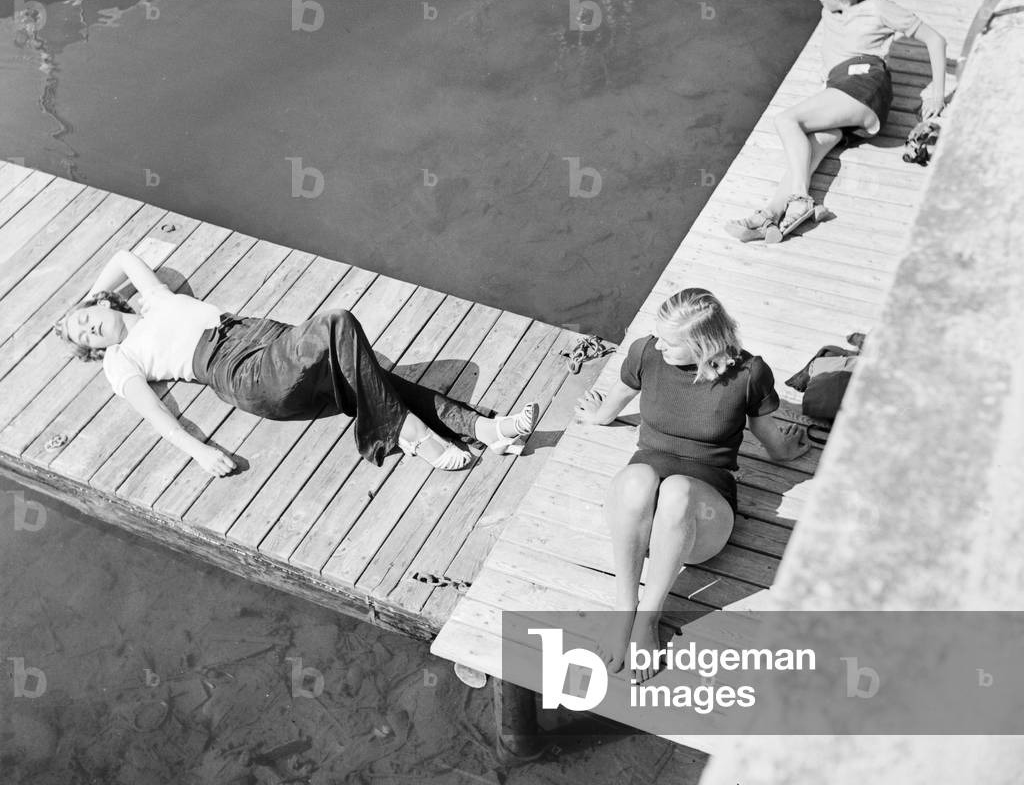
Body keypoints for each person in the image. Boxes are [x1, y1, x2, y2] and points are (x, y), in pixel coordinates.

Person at [53, 251, 537, 477]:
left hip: (267, 336)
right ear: (94, 352)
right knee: (337, 321)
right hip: (243, 370)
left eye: (83, 318)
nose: (86, 329)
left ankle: (485, 430)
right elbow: (153, 414)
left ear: (101, 301)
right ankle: (404, 433)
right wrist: (197, 451)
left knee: (375, 378)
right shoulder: (120, 360)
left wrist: (90, 296)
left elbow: (123, 255)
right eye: (80, 337)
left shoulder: (154, 300)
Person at [574, 288, 809, 679]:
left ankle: (648, 619)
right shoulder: (647, 352)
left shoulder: (749, 374)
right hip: (638, 519)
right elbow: (624, 390)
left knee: (677, 491)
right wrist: (599, 415)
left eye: (671, 341)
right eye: (659, 335)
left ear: (702, 343)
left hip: (700, 523)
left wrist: (790, 449)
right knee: (639, 477)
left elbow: (770, 438)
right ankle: (624, 609)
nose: (658, 344)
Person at [727, 0, 947, 242]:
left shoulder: (878, 8)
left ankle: (801, 199)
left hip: (865, 83)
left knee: (786, 120)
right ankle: (770, 215)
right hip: (841, 93)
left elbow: (936, 39)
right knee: (811, 148)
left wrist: (937, 95)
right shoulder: (830, 10)